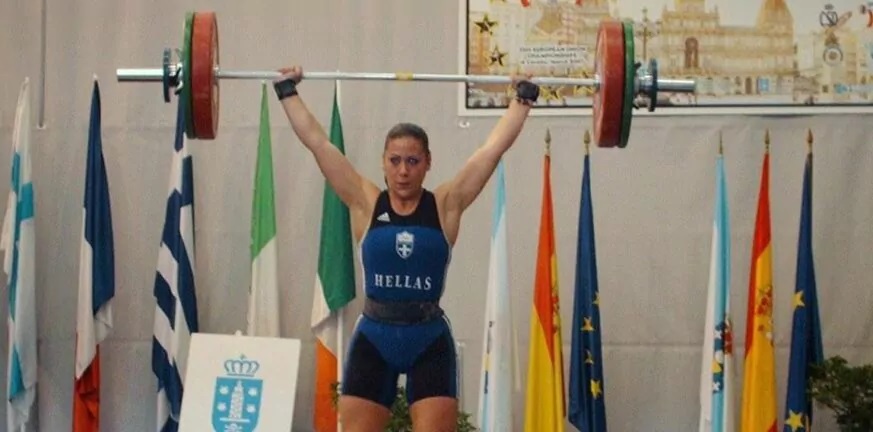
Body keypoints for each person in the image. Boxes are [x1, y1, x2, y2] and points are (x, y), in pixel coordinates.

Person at [272, 66, 539, 432]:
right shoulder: (365, 202)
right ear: (383, 162)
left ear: (427, 163)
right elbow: (319, 143)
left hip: (428, 340)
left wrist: (523, 99)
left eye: (412, 161)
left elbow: (491, 150)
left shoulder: (446, 204)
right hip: (374, 338)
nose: (402, 171)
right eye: (395, 160)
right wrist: (287, 91)